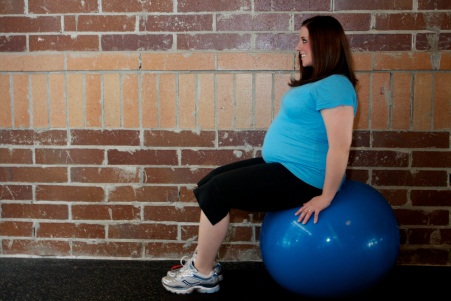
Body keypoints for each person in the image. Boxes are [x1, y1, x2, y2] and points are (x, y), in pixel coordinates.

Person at [161, 15, 358, 295]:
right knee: (209, 183)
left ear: (323, 44)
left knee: (217, 191)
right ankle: (205, 263)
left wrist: (325, 196)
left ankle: (202, 273)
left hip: (303, 177)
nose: (298, 46)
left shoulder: (336, 86)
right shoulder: (320, 82)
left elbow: (340, 146)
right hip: (285, 166)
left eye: (304, 40)